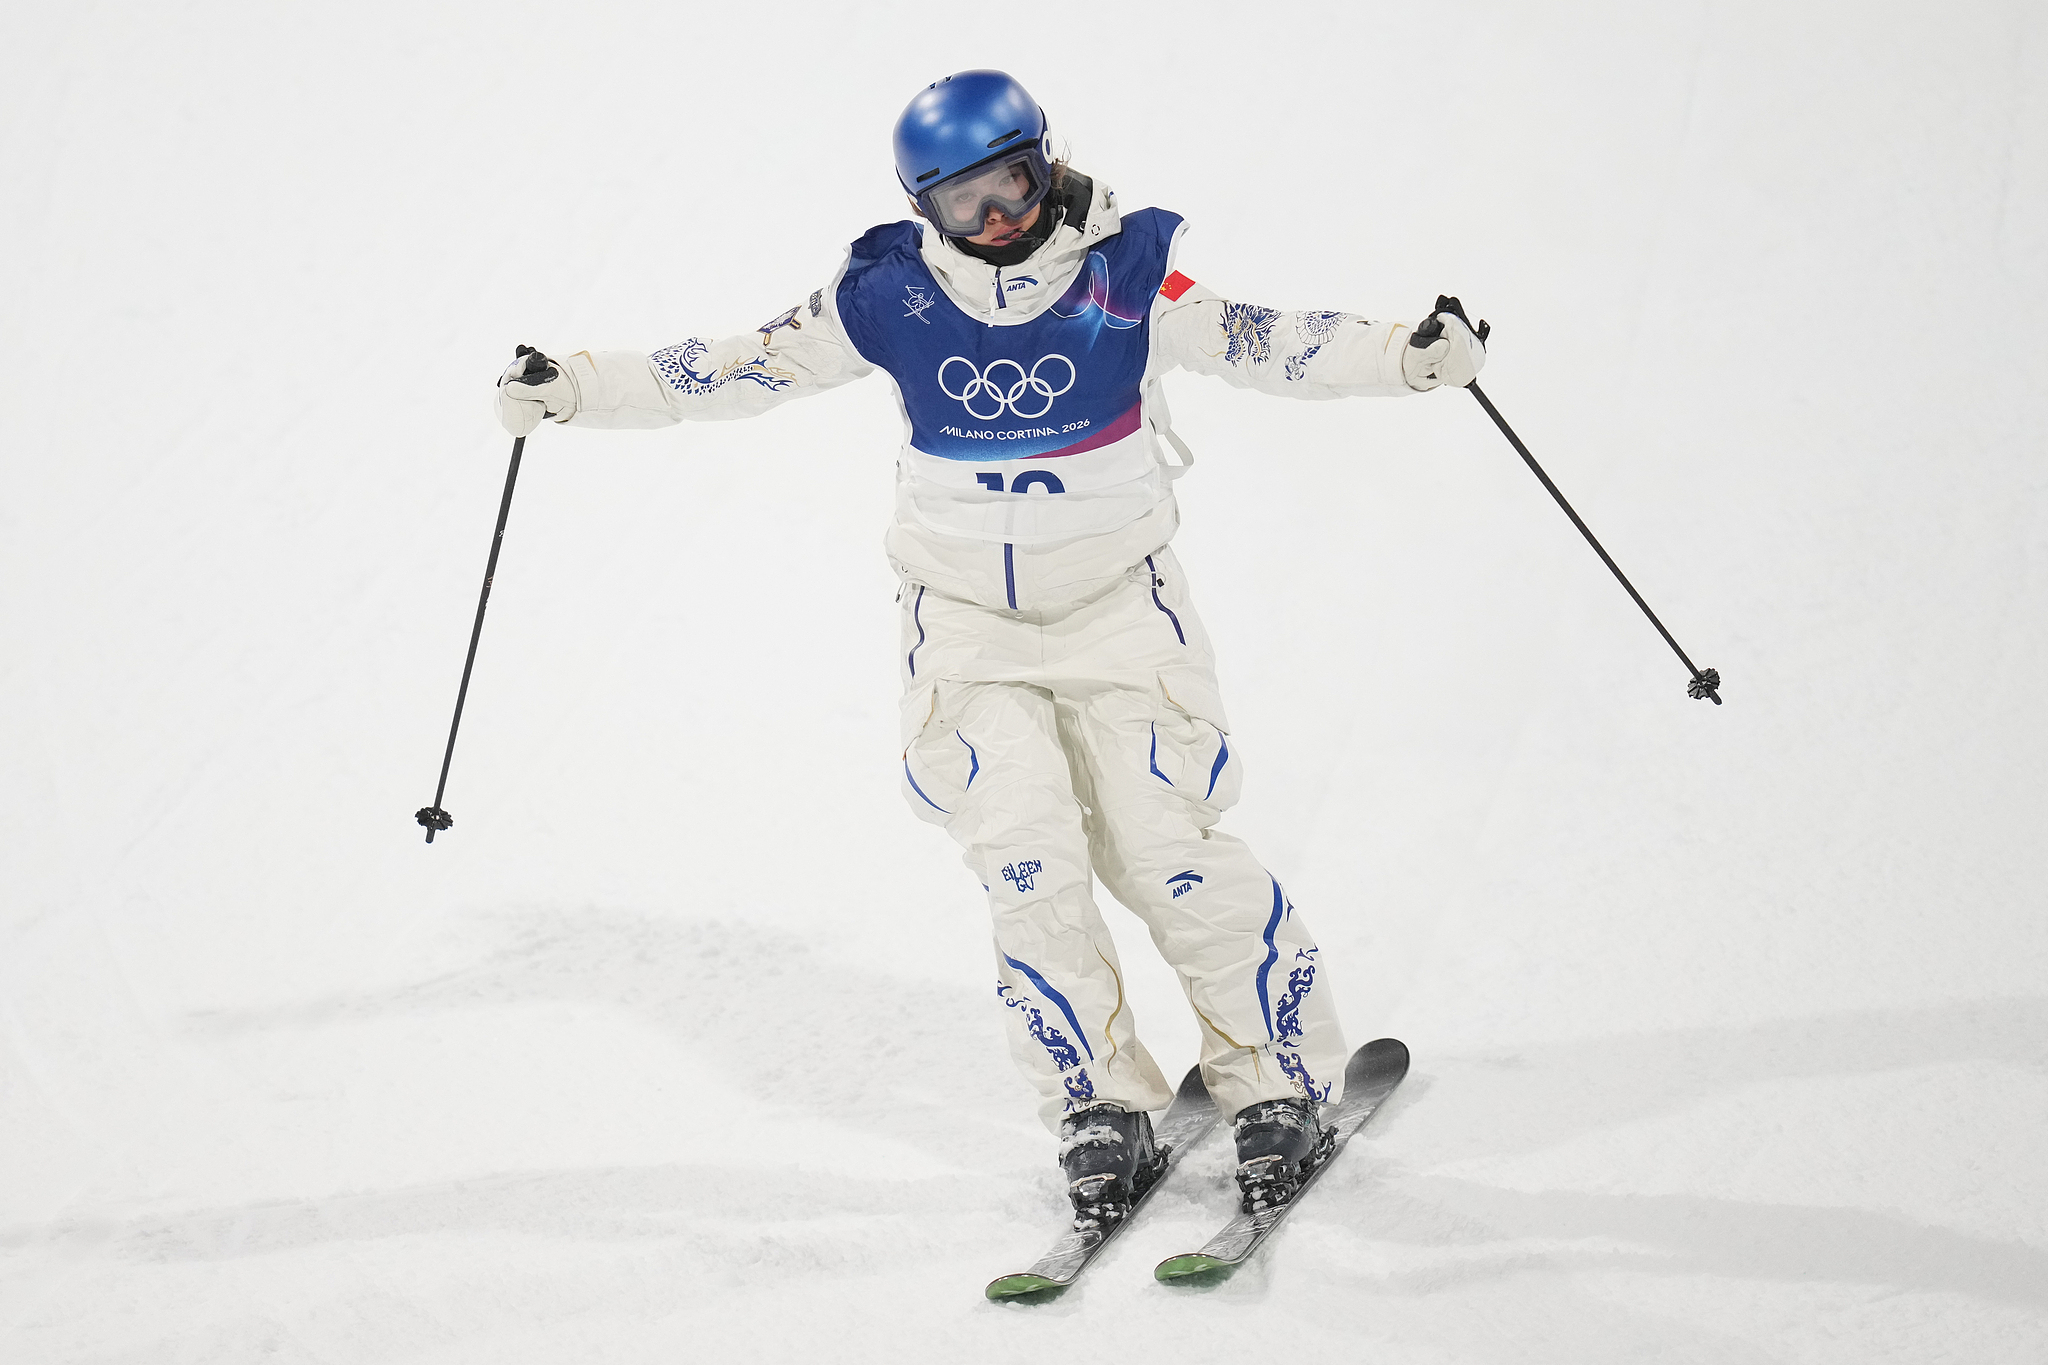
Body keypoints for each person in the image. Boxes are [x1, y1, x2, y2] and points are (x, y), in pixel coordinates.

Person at [495, 69, 1484, 1227]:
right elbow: (734, 365)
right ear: (922, 208)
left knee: (1165, 848)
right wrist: (574, 389)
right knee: (1026, 867)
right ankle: (1097, 1103)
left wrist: (1407, 355)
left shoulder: (1126, 276)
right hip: (965, 626)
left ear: (1044, 159)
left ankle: (1276, 1082)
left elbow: (1267, 341)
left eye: (1009, 183)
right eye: (961, 203)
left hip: (1117, 612)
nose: (996, 218)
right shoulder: (887, 297)